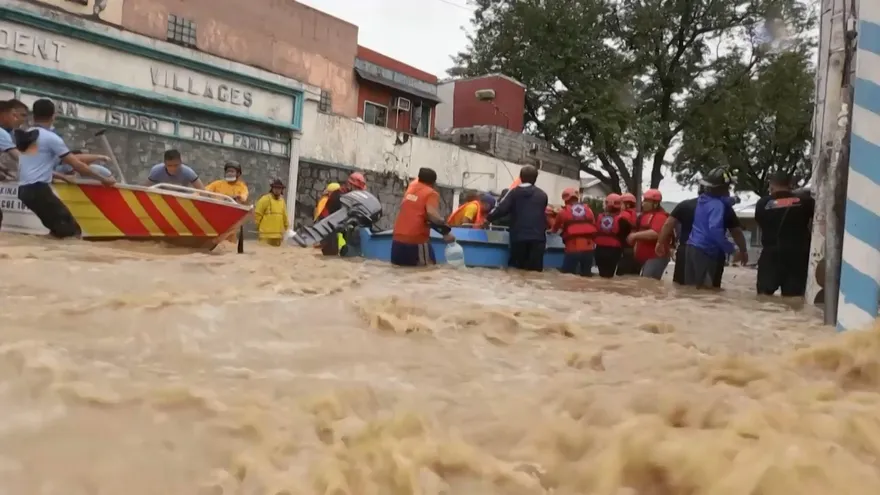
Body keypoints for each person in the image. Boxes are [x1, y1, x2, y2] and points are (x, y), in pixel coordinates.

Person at [14, 99, 115, 238]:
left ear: (33, 115)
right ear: (53, 116)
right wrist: (103, 180)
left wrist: (63, 177)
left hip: (24, 191)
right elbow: (76, 164)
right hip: (38, 190)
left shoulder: (29, 135)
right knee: (72, 233)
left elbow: (36, 167)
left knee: (58, 232)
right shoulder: (51, 138)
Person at [656, 170, 748, 288]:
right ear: (724, 188)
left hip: (688, 249)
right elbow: (731, 231)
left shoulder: (697, 202)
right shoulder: (720, 207)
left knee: (685, 289)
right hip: (708, 252)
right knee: (706, 292)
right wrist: (734, 249)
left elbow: (668, 224)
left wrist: (660, 242)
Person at [754, 170, 815, 296]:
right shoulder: (806, 202)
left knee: (764, 299)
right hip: (796, 258)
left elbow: (760, 222)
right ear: (790, 185)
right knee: (794, 301)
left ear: (771, 185)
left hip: (770, 257)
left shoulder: (762, 204)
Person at [480, 165, 549, 272]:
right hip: (538, 239)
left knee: (516, 271)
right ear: (535, 178)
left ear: (520, 177)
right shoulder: (542, 195)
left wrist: (487, 219)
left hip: (519, 237)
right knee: (535, 273)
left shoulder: (514, 193)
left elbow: (501, 209)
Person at [391, 167, 455, 266]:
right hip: (416, 241)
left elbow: (420, 214)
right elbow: (431, 215)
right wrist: (445, 230)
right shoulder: (430, 193)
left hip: (397, 239)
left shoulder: (411, 187)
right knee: (428, 271)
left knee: (398, 271)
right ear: (433, 183)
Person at [626, 188, 671, 280]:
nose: (643, 203)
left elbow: (656, 233)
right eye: (644, 200)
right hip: (645, 257)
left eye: (647, 201)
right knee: (644, 284)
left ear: (655, 203)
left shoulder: (660, 216)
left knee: (648, 283)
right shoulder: (643, 216)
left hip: (655, 257)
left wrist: (634, 236)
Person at [552, 187, 597, 277]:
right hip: (588, 249)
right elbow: (593, 224)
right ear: (577, 198)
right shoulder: (589, 210)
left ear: (565, 199)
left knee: (567, 277)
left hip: (573, 248)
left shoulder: (562, 212)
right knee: (586, 277)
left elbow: (555, 229)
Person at [321, 172, 367, 255]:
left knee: (354, 239)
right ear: (350, 185)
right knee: (330, 255)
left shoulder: (351, 196)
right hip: (327, 224)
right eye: (357, 189)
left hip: (340, 222)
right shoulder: (339, 196)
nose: (359, 192)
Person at [593, 193, 632, 278]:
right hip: (613, 252)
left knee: (602, 275)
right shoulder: (623, 220)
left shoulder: (598, 217)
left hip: (599, 250)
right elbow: (627, 236)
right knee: (609, 276)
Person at [254, 178, 289, 246]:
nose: (277, 190)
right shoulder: (265, 199)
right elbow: (257, 214)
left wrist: (287, 229)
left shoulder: (282, 201)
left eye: (279, 188)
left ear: (282, 190)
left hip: (278, 236)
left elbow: (285, 218)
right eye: (275, 188)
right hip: (265, 236)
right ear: (272, 188)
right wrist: (257, 227)